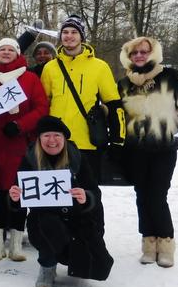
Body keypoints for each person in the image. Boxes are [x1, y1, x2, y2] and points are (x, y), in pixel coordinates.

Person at [117, 36, 178, 267]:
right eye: (134, 53)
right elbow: (116, 112)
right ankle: (148, 243)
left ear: (153, 53)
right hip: (135, 149)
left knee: (158, 196)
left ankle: (166, 244)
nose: (139, 56)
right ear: (129, 57)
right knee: (142, 196)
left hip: (164, 147)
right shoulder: (124, 84)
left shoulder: (170, 76)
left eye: (144, 52)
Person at [9, 115, 113, 287]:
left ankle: (72, 255)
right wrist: (15, 197)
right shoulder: (30, 159)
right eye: (46, 136)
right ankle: (47, 266)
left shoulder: (77, 158)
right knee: (48, 225)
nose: (52, 141)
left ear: (64, 138)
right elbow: (17, 200)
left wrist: (85, 197)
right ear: (39, 139)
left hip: (76, 216)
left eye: (57, 135)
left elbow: (94, 192)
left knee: (98, 264)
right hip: (44, 219)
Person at [0, 37, 48, 262]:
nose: (5, 53)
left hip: (19, 144)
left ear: (17, 53)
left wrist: (20, 125)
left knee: (18, 192)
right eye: (2, 50)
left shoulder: (30, 79)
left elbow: (41, 108)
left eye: (10, 49)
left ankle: (16, 242)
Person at [40, 15, 126, 185]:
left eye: (74, 32)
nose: (69, 36)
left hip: (88, 143)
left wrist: (117, 139)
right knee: (58, 197)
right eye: (65, 32)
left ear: (82, 37)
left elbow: (114, 105)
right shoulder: (50, 68)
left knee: (88, 195)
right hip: (56, 144)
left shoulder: (99, 66)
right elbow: (43, 104)